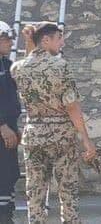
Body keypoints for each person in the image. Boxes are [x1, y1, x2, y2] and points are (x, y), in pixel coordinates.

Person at [11, 22, 96, 224]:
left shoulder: (17, 68)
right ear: (46, 40)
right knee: (68, 193)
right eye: (59, 38)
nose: (63, 42)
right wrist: (86, 141)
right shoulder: (61, 66)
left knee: (36, 193)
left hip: (34, 135)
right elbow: (72, 106)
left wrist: (30, 42)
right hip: (61, 137)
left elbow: (30, 62)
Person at [0, 21, 21, 224]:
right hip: (2, 128)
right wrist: (2, 126)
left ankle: (7, 214)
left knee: (9, 173)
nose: (11, 43)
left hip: (9, 127)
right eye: (7, 39)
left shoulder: (6, 65)